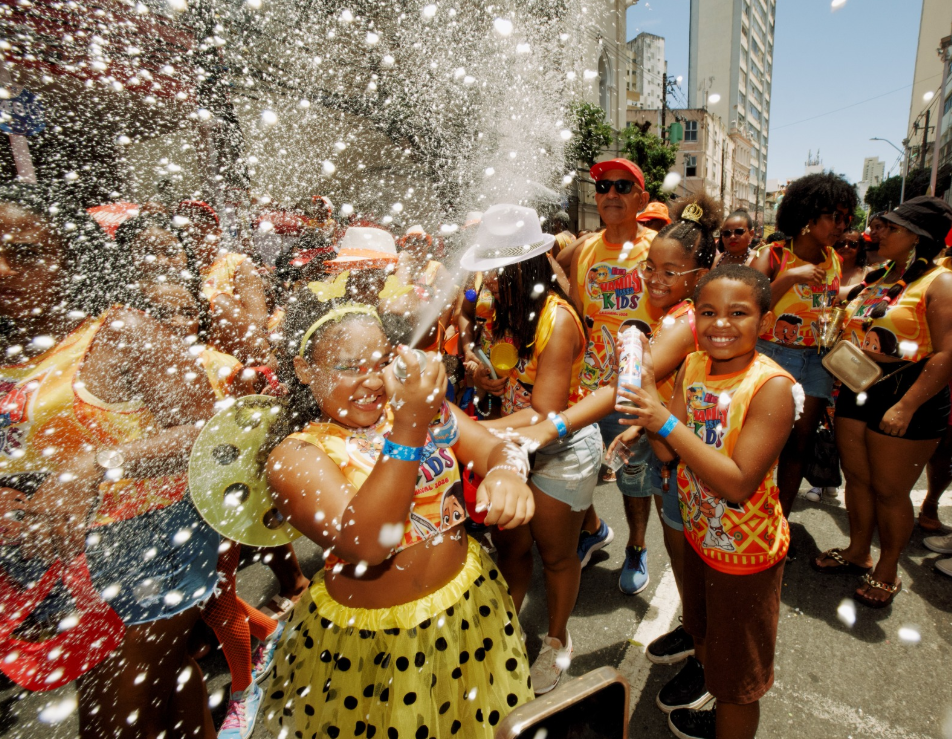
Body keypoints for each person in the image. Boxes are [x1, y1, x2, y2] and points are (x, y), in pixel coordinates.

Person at [261, 276, 536, 738]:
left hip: (468, 608)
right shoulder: (298, 456)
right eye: (349, 366)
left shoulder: (419, 410)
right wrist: (408, 424)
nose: (372, 381)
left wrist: (507, 473)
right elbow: (366, 545)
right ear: (304, 369)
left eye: (382, 361)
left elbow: (495, 448)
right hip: (373, 645)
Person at [0, 183, 221, 739]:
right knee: (157, 690)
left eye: (26, 254)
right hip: (54, 558)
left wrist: (97, 464)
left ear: (72, 255)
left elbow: (211, 435)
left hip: (147, 546)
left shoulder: (122, 333)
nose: (5, 271)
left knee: (113, 715)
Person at [513, 193, 721, 681]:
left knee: (699, 560)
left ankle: (709, 664)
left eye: (671, 272)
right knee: (680, 547)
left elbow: (629, 383)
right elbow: (666, 390)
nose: (654, 279)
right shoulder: (669, 314)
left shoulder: (689, 320)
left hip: (695, 462)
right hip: (675, 459)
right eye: (651, 267)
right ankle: (694, 630)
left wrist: (557, 423)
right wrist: (633, 427)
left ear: (700, 274)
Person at [621, 265, 797, 739]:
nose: (721, 324)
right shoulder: (695, 365)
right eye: (708, 312)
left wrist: (664, 423)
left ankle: (729, 721)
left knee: (739, 681)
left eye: (738, 313)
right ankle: (712, 699)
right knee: (708, 637)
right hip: (702, 538)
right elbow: (663, 451)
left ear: (763, 320)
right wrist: (652, 387)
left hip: (745, 555)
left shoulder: (772, 389)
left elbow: (737, 484)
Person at [461, 204, 600, 694]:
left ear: (526, 268)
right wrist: (484, 377)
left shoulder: (557, 321)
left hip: (561, 447)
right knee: (511, 545)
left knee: (555, 554)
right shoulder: (503, 310)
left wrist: (479, 433)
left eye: (500, 270)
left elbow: (544, 413)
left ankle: (557, 641)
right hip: (511, 442)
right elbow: (500, 373)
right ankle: (505, 626)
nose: (490, 280)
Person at [813, 196, 952, 608]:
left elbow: (945, 354)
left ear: (917, 237)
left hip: (908, 395)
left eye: (892, 227)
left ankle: (888, 568)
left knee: (891, 492)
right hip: (858, 389)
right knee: (858, 480)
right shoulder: (882, 275)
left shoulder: (939, 283)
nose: (880, 233)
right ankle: (858, 551)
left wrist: (906, 406)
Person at [560, 157, 661, 595]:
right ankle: (595, 529)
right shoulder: (584, 250)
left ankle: (637, 546)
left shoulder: (658, 249)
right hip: (589, 385)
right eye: (603, 186)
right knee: (574, 465)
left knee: (634, 474)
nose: (611, 194)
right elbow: (577, 312)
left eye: (623, 186)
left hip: (635, 390)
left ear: (641, 197)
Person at [750, 172, 857, 519]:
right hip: (773, 356)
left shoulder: (834, 259)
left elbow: (823, 299)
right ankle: (752, 514)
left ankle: (779, 519)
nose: (842, 226)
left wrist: (854, 297)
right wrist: (789, 277)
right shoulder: (773, 255)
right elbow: (747, 303)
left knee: (799, 443)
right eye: (834, 217)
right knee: (765, 442)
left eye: (847, 218)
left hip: (818, 361)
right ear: (808, 218)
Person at [835, 228, 869, 301]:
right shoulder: (826, 270)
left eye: (852, 244)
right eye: (841, 243)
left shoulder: (867, 273)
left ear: (859, 248)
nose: (846, 247)